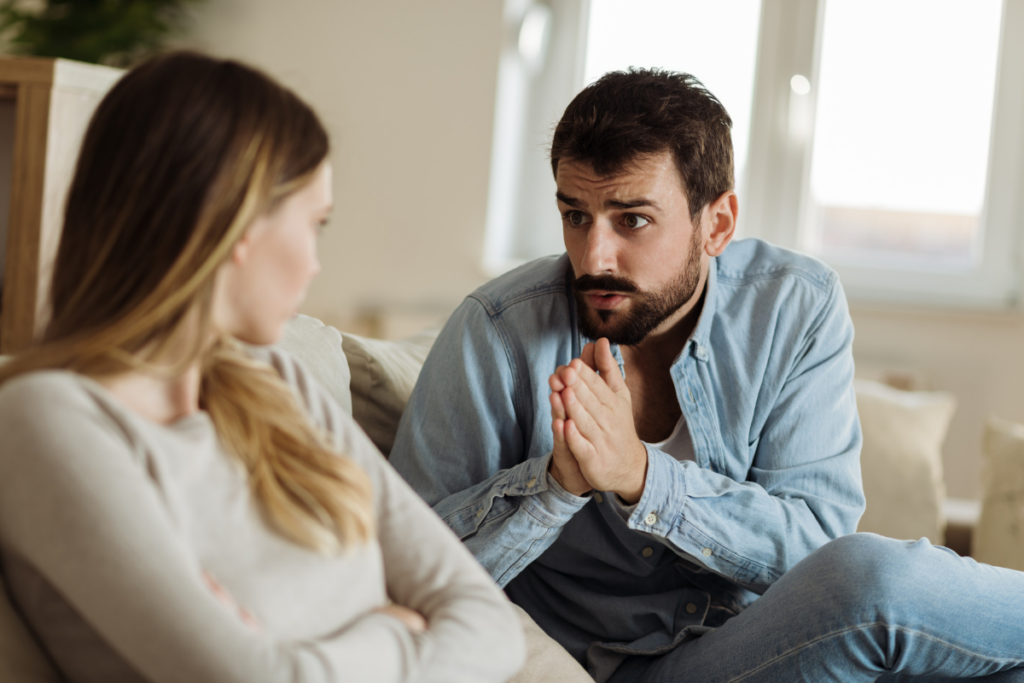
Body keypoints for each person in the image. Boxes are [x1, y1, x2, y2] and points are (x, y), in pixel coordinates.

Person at [388, 68, 1024, 683]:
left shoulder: (794, 306)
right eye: (575, 215)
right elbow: (404, 573)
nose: (593, 257)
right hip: (619, 665)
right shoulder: (495, 333)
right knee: (872, 581)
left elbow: (810, 548)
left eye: (632, 219)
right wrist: (555, 487)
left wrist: (644, 479)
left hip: (773, 644)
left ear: (715, 224)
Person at [0, 52, 524, 683]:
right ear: (235, 226)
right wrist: (396, 627)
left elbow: (489, 624)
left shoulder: (277, 380)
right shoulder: (48, 419)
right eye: (314, 224)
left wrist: (306, 658)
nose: (315, 265)